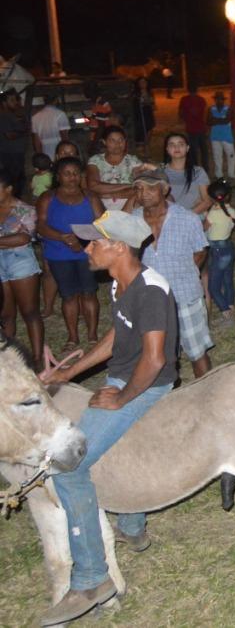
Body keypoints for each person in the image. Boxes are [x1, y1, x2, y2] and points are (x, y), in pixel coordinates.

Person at [39, 211, 178, 628]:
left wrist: (122, 397)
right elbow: (118, 335)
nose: (86, 249)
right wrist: (70, 372)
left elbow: (154, 360)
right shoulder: (122, 283)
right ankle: (133, 522)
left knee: (68, 467)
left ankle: (92, 579)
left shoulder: (151, 290)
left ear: (118, 247)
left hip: (147, 384)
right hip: (125, 375)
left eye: (93, 243)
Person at [135, 168, 213, 379]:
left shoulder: (187, 218)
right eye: (139, 188)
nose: (144, 193)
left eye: (151, 188)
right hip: (149, 300)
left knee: (197, 352)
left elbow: (200, 251)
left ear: (165, 189)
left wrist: (184, 274)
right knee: (157, 354)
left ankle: (207, 395)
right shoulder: (131, 221)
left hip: (184, 295)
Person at [37, 157, 103, 352]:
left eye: (75, 173)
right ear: (58, 176)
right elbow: (40, 225)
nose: (72, 177)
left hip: (86, 253)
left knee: (89, 292)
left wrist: (82, 241)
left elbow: (101, 224)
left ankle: (92, 335)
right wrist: (64, 238)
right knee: (68, 296)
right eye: (67, 173)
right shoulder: (48, 198)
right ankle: (73, 336)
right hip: (59, 253)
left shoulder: (90, 197)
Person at [0, 170, 44, 365]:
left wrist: (9, 241)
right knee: (5, 315)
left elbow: (25, 238)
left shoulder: (25, 210)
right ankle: (8, 359)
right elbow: (16, 238)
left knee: (30, 312)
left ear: (8, 189)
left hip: (20, 261)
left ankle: (36, 357)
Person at [85, 126, 144, 211]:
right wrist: (128, 185)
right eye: (112, 140)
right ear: (104, 142)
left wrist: (108, 194)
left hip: (129, 205)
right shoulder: (95, 160)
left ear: (125, 141)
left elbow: (139, 189)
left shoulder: (133, 161)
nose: (117, 144)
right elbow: (94, 186)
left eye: (121, 140)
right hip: (100, 205)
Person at [205, 177, 235, 327]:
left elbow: (203, 228)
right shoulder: (232, 211)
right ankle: (231, 310)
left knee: (213, 287)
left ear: (211, 198)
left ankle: (226, 314)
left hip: (218, 251)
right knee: (227, 281)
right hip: (229, 249)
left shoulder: (212, 215)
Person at [160, 132, 212, 216]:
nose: (176, 147)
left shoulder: (198, 172)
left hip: (194, 215)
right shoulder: (161, 171)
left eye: (181, 144)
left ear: (187, 148)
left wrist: (185, 216)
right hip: (168, 216)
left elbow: (207, 201)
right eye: (172, 144)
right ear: (167, 149)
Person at [177, 82, 209, 170]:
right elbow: (205, 114)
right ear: (197, 89)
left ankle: (195, 169)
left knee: (194, 151)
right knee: (204, 151)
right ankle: (205, 168)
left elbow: (180, 113)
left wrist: (185, 119)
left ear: (188, 90)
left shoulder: (184, 99)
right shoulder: (201, 100)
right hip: (201, 128)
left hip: (191, 129)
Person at [207, 91, 235, 180]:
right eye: (217, 99)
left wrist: (214, 120)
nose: (219, 101)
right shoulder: (211, 109)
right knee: (217, 156)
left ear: (223, 100)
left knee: (231, 156)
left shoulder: (229, 109)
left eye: (221, 99)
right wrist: (221, 120)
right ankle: (219, 174)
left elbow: (227, 120)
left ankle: (231, 174)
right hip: (215, 137)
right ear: (215, 100)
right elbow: (208, 121)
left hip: (226, 137)